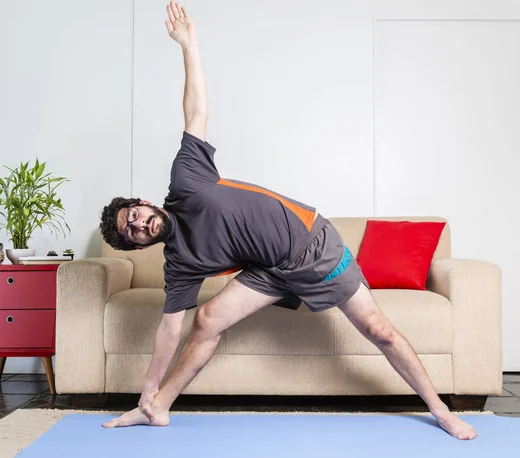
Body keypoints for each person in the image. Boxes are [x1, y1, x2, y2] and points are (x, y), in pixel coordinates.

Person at [98, 1, 477, 440]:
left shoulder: (187, 181)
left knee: (379, 330)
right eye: (132, 234)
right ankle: (156, 409)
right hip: (268, 270)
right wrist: (147, 389)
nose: (140, 226)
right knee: (205, 320)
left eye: (135, 216)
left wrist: (189, 45)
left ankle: (440, 410)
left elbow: (196, 113)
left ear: (144, 204)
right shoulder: (179, 263)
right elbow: (170, 328)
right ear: (140, 246)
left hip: (312, 245)